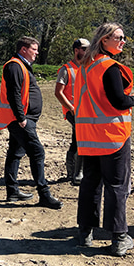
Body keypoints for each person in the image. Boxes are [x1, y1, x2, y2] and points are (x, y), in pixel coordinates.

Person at [74, 23, 134, 256]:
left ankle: (85, 233)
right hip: (112, 136)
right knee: (117, 187)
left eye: (124, 37)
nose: (123, 41)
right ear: (104, 40)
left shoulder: (84, 66)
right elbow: (119, 102)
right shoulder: (110, 67)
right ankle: (119, 238)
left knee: (90, 183)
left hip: (87, 137)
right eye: (119, 37)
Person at [0, 36, 62, 209]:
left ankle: (12, 191)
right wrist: (21, 118)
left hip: (23, 118)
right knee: (37, 152)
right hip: (21, 120)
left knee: (15, 153)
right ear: (24, 50)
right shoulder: (14, 66)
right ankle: (44, 194)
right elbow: (13, 93)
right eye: (34, 49)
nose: (37, 53)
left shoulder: (21, 65)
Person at [54, 38, 90, 185]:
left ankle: (74, 173)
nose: (88, 51)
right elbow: (58, 92)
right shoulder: (66, 69)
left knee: (77, 140)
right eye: (85, 49)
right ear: (77, 51)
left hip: (85, 111)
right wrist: (71, 108)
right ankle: (77, 174)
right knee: (80, 139)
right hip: (73, 111)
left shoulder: (88, 67)